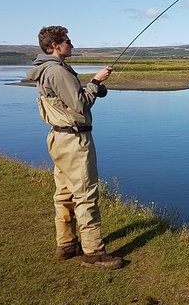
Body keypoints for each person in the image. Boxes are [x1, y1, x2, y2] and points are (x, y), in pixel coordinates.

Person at [26, 25, 123, 270]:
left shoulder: (47, 69)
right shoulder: (57, 71)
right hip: (74, 141)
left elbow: (70, 100)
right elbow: (80, 105)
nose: (72, 44)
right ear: (54, 46)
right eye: (67, 41)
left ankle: (66, 244)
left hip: (59, 139)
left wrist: (93, 88)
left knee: (64, 193)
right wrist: (95, 82)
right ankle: (94, 254)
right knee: (86, 195)